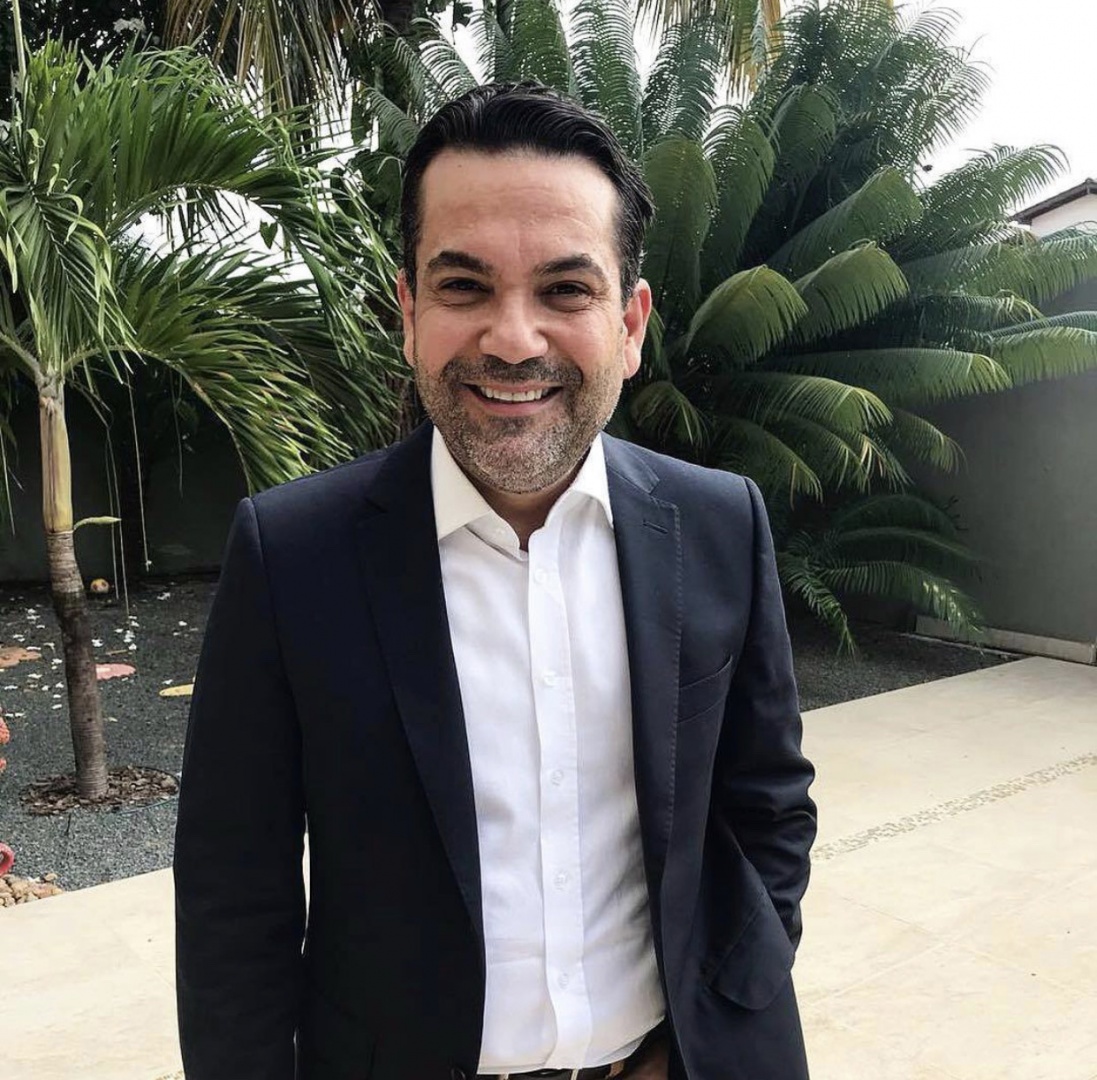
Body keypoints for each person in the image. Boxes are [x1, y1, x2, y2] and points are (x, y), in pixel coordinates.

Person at [173, 82, 816, 1080]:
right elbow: (232, 893)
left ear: (630, 322)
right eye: (465, 286)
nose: (513, 340)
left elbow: (766, 801)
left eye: (565, 290)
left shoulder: (718, 524)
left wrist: (721, 1004)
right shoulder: (291, 556)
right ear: (408, 311)